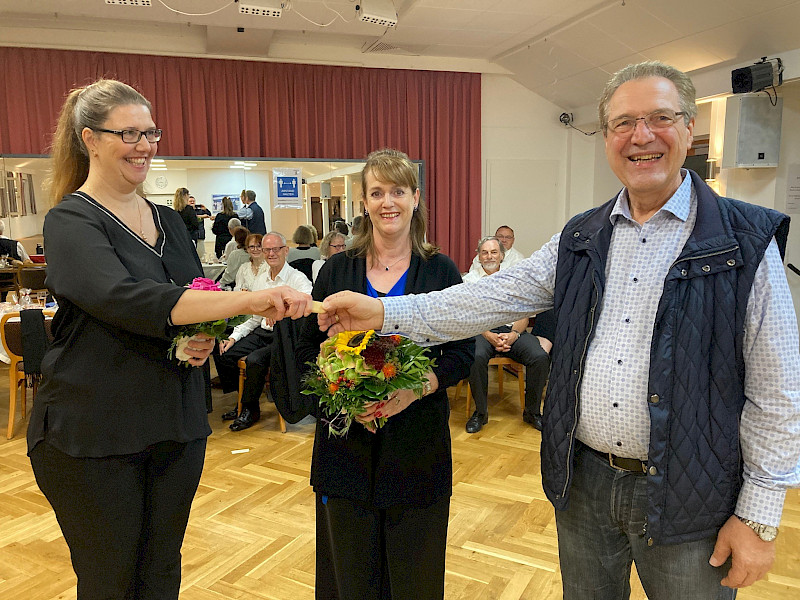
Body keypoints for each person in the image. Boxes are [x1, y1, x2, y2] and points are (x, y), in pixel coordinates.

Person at [318, 62, 800, 600]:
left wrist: (758, 516)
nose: (641, 136)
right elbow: (485, 297)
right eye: (623, 123)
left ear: (689, 127)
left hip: (691, 496)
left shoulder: (744, 240)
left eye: (659, 118)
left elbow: (777, 391)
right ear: (606, 138)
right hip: (586, 485)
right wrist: (385, 314)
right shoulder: (582, 237)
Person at [32, 78, 312, 600]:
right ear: (90, 138)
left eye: (151, 132)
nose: (145, 145)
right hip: (96, 431)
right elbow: (126, 300)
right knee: (111, 579)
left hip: (175, 422)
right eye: (129, 134)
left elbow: (193, 295)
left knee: (161, 573)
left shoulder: (168, 220)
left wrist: (204, 334)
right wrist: (247, 301)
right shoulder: (70, 220)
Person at [297, 149, 474, 599]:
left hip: (416, 446)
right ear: (364, 202)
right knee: (350, 576)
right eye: (377, 192)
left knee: (415, 575)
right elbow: (306, 351)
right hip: (345, 450)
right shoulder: (337, 270)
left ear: (416, 198)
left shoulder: (440, 270)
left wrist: (419, 387)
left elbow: (461, 351)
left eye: (398, 191)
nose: (387, 202)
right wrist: (341, 401)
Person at [216, 231, 312, 431]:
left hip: (283, 338)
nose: (270, 254)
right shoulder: (261, 280)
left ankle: (250, 409)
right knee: (225, 354)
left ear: (286, 251)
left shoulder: (297, 278)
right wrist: (233, 337)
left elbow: (307, 304)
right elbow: (253, 318)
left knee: (254, 361)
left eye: (275, 249)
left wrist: (281, 312)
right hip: (262, 333)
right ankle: (241, 401)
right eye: (266, 249)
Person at [462, 236, 550, 433]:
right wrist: (488, 335)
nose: (489, 256)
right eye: (484, 252)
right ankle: (480, 414)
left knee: (540, 357)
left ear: (502, 255)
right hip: (481, 331)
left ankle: (532, 412)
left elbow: (524, 315)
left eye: (494, 252)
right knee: (475, 357)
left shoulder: (515, 280)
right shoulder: (469, 281)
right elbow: (468, 316)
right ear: (478, 256)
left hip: (512, 331)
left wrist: (514, 334)